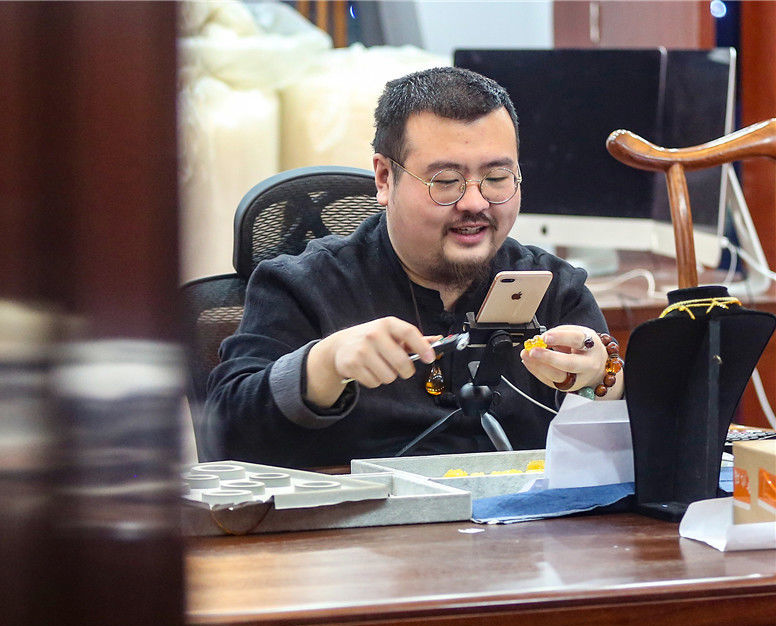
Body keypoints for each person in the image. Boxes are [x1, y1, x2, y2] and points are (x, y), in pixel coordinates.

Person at [203, 66, 624, 468]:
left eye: (497, 178)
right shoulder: (303, 286)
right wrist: (325, 364)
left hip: (527, 517)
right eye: (446, 182)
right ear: (385, 178)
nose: (474, 203)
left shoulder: (554, 286)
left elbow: (627, 443)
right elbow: (225, 435)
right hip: (364, 518)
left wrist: (601, 382)